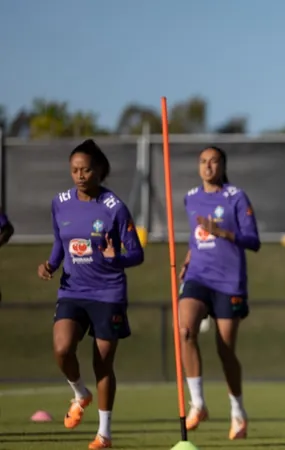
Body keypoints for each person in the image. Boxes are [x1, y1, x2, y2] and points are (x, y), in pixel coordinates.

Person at [37, 139, 144, 449]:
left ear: (99, 171)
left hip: (108, 292)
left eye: (86, 170)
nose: (80, 175)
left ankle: (104, 433)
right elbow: (60, 240)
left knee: (103, 364)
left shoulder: (115, 208)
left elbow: (136, 253)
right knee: (62, 349)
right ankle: (80, 392)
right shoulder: (60, 202)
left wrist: (116, 258)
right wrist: (51, 265)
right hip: (72, 289)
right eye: (74, 170)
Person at [177, 146, 261, 441]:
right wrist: (188, 259)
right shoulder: (190, 198)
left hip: (229, 281)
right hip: (198, 276)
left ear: (223, 165)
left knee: (225, 351)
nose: (208, 166)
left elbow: (253, 241)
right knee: (185, 330)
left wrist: (221, 231)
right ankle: (198, 404)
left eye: (214, 161)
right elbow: (195, 238)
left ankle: (238, 412)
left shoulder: (235, 197)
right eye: (203, 161)